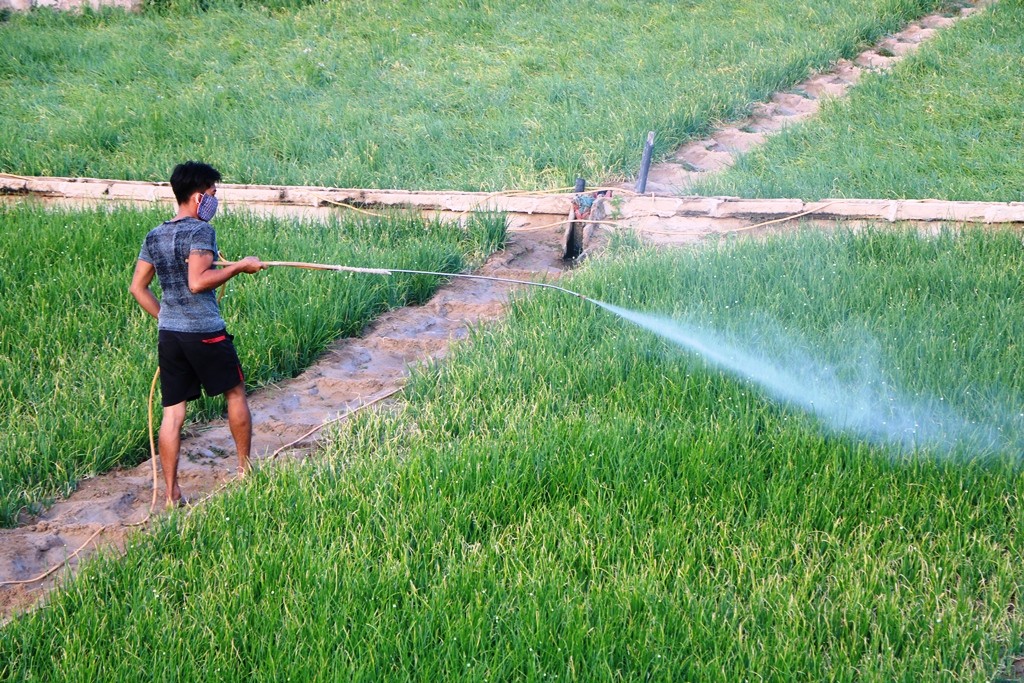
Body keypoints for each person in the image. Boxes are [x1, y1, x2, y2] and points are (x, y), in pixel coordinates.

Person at [129, 161, 265, 508]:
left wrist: (168, 318)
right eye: (212, 194)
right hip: (205, 332)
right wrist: (239, 267)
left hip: (171, 336)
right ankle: (245, 470)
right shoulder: (200, 232)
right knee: (235, 393)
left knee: (173, 413)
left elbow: (137, 288)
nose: (215, 200)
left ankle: (172, 493)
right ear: (196, 196)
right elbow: (198, 281)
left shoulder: (155, 234)